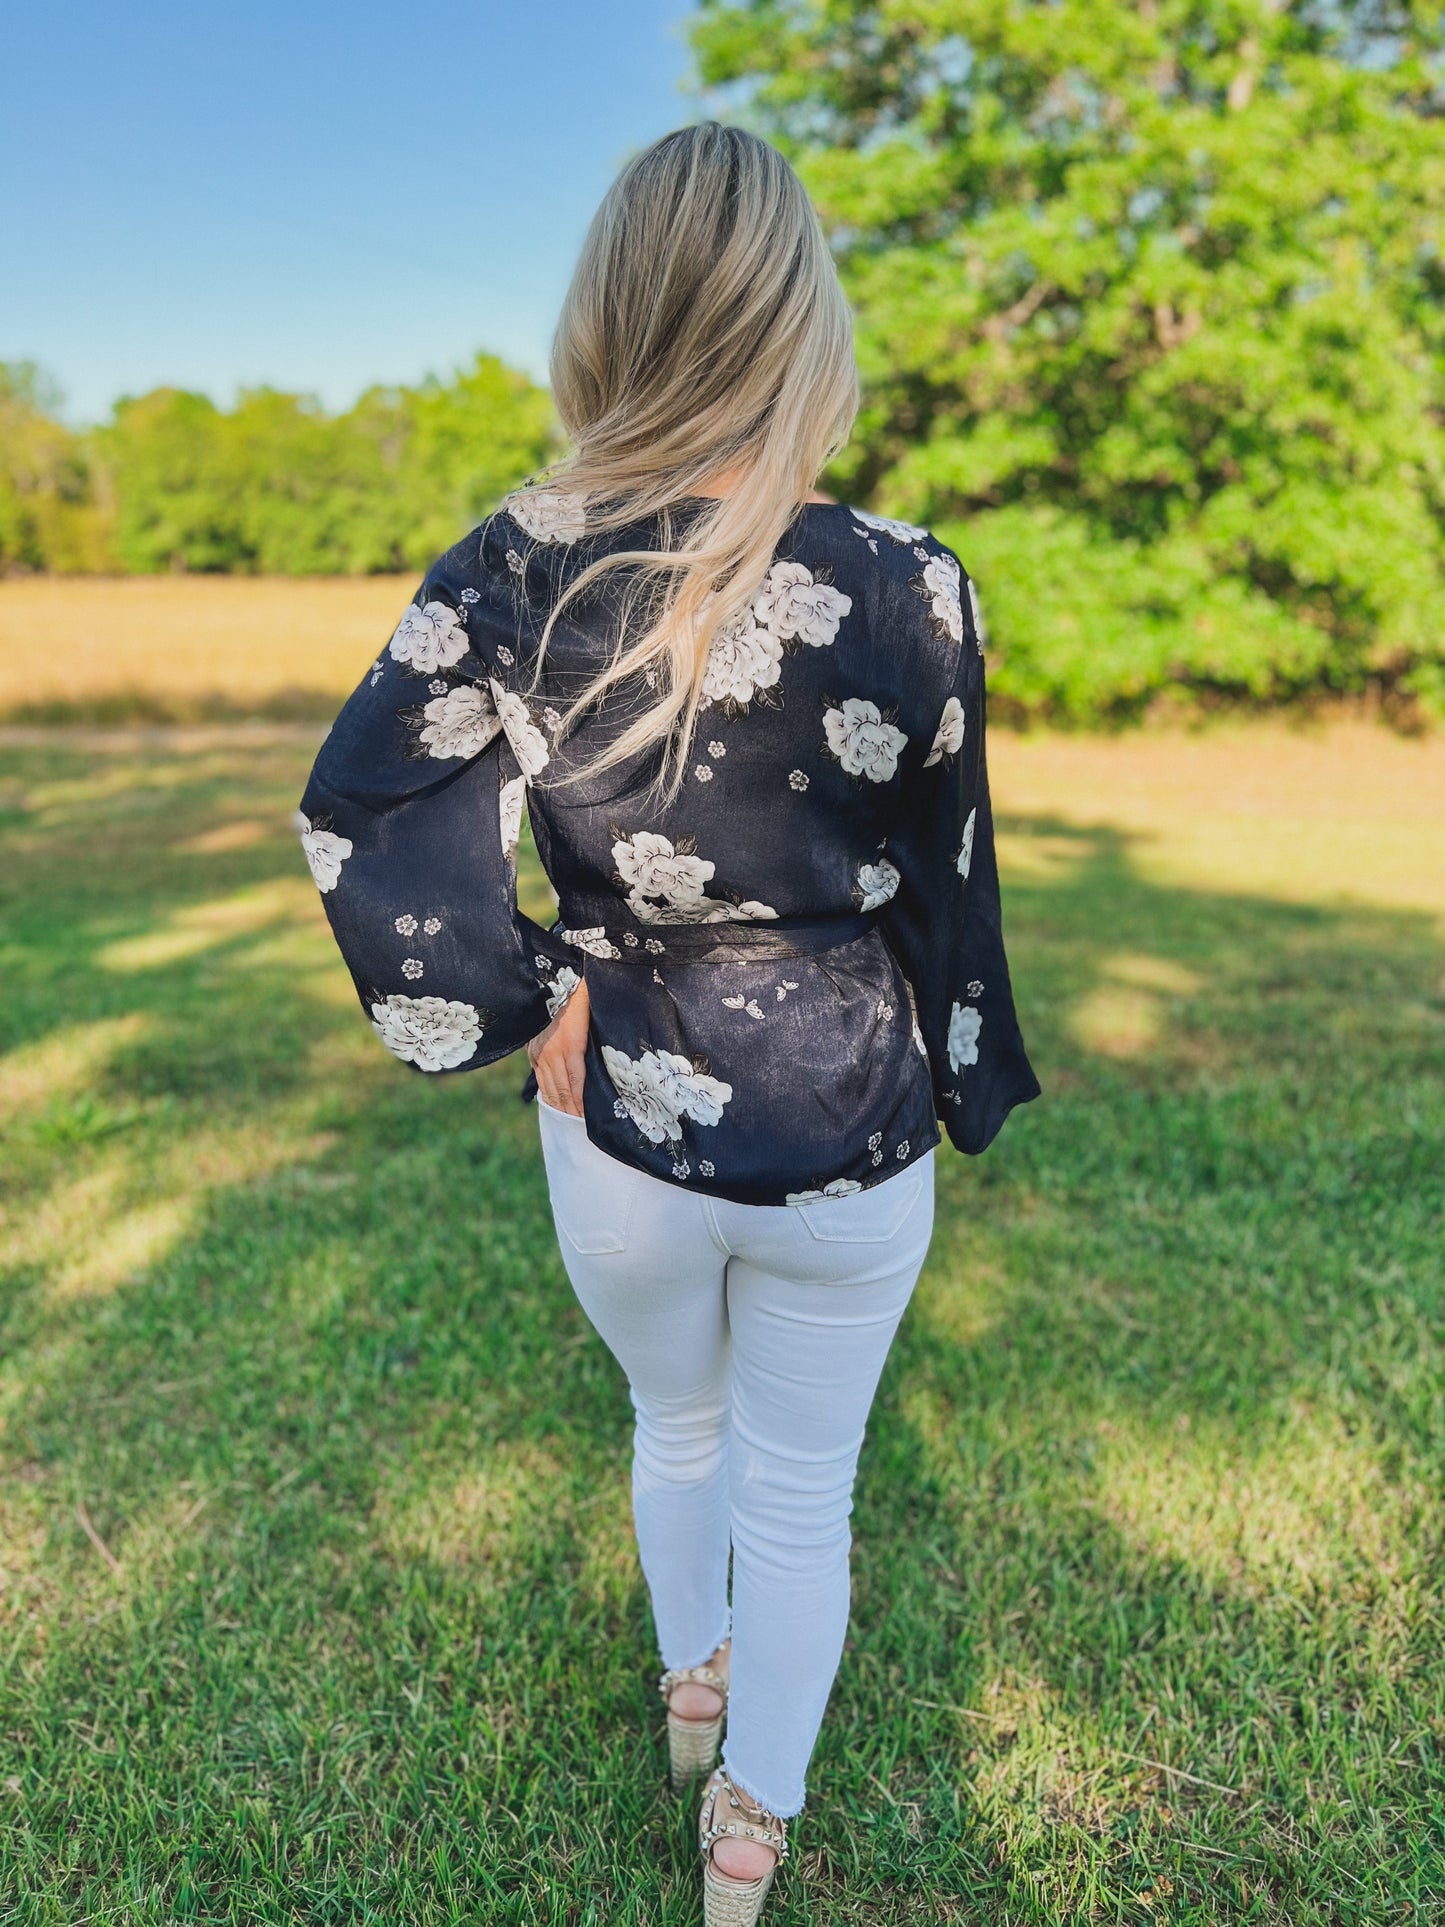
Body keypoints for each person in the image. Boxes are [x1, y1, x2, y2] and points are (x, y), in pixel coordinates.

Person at [298, 121, 1039, 1927]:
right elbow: (947, 869)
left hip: (609, 1113)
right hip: (843, 1119)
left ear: (603, 317)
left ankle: (689, 1698)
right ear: (798, 316)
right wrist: (961, 1065)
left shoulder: (507, 562)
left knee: (675, 1430)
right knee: (803, 1487)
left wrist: (520, 987)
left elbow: (362, 805)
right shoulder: (904, 577)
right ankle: (747, 1838)